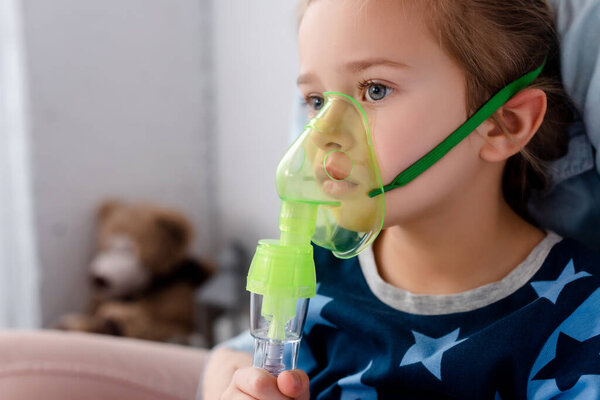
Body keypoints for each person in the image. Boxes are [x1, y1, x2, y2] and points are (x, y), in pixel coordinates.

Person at [203, 0, 600, 399]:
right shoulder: (319, 268)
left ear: (502, 125)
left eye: (375, 90)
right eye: (317, 101)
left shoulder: (578, 312)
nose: (323, 134)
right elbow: (232, 361)